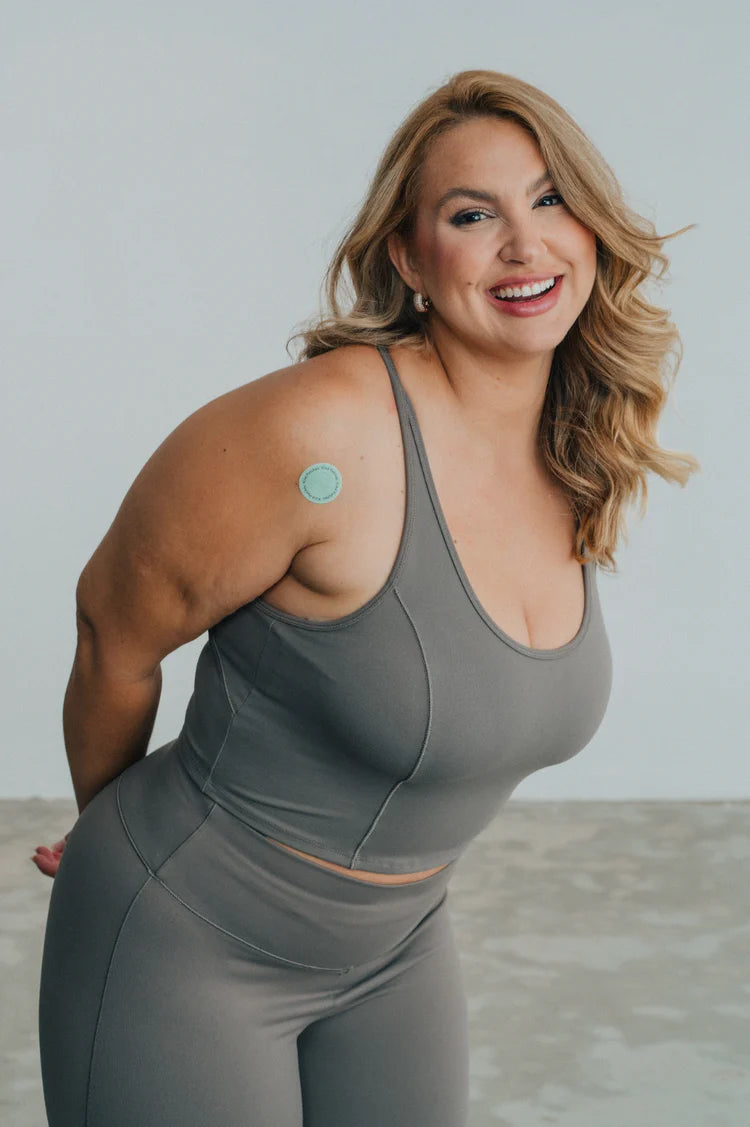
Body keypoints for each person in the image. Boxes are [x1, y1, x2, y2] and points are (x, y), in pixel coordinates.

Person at [34, 68, 699, 1126]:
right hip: (185, 935)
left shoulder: (574, 450)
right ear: (408, 257)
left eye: (550, 199)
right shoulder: (316, 435)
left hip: (398, 950)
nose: (525, 244)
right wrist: (106, 826)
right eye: (472, 215)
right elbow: (110, 629)